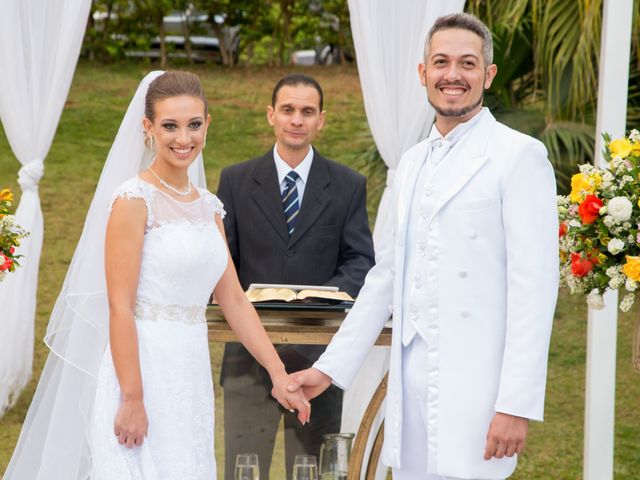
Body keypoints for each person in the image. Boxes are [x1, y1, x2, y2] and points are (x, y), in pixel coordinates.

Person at [289, 13, 559, 480]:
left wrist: (516, 403)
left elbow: (534, 290)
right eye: (441, 62)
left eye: (467, 63)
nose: (452, 74)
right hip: (411, 391)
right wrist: (329, 369)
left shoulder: (519, 156)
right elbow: (385, 276)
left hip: (478, 391)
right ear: (423, 73)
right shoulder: (411, 162)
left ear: (488, 75)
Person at [4, 71, 309, 480]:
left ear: (207, 124)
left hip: (189, 374)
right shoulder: (133, 201)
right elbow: (119, 305)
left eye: (194, 125)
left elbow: (234, 299)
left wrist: (277, 372)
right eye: (170, 125)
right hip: (141, 369)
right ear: (148, 128)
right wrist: (131, 397)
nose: (183, 138)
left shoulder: (210, 208)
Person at [216, 73, 375, 480]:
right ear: (271, 115)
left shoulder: (347, 185)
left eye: (307, 112)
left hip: (318, 355)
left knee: (311, 471)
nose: (296, 120)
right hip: (247, 355)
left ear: (321, 119)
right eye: (288, 110)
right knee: (243, 469)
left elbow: (360, 260)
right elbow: (223, 261)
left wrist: (326, 298)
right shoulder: (234, 181)